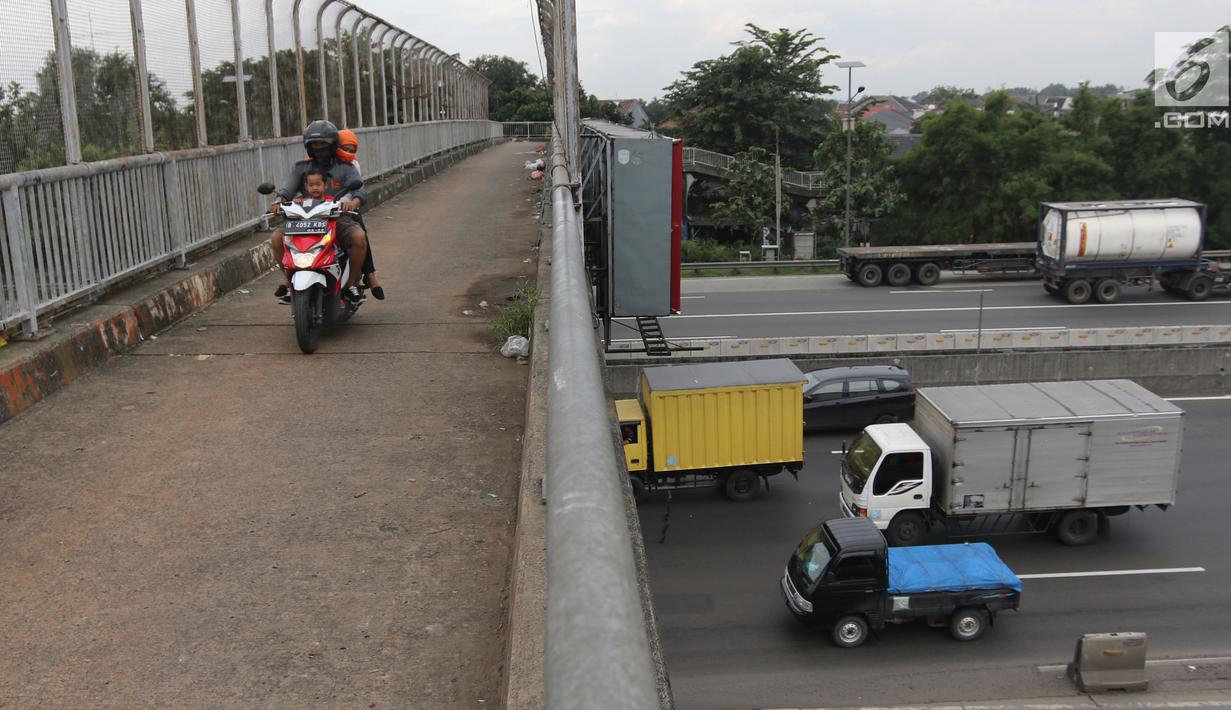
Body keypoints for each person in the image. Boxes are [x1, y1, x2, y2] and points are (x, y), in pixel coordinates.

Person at [269, 120, 367, 305]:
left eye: (323, 144)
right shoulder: (301, 168)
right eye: (315, 144)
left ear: (332, 145)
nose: (319, 148)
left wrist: (353, 202)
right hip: (304, 221)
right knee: (276, 238)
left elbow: (359, 190)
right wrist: (278, 201)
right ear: (308, 146)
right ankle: (290, 282)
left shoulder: (346, 168)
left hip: (336, 219)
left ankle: (352, 283)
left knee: (359, 237)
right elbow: (286, 189)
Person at [334, 129, 384, 300]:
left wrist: (348, 203)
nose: (348, 153)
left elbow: (355, 188)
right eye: (344, 148)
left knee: (359, 229)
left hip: (343, 208)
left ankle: (368, 274)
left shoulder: (352, 165)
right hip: (321, 210)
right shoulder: (316, 164)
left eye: (351, 150)